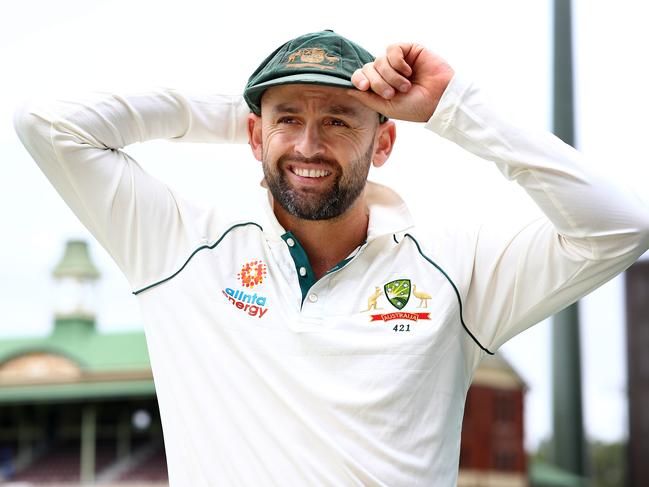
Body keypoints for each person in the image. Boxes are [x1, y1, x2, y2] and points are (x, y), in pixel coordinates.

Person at [14, 29, 649, 486]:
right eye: (286, 121)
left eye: (342, 122)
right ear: (254, 134)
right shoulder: (176, 245)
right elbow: (45, 122)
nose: (309, 146)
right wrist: (247, 107)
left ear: (385, 141)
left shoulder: (455, 268)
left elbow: (621, 228)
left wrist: (455, 109)